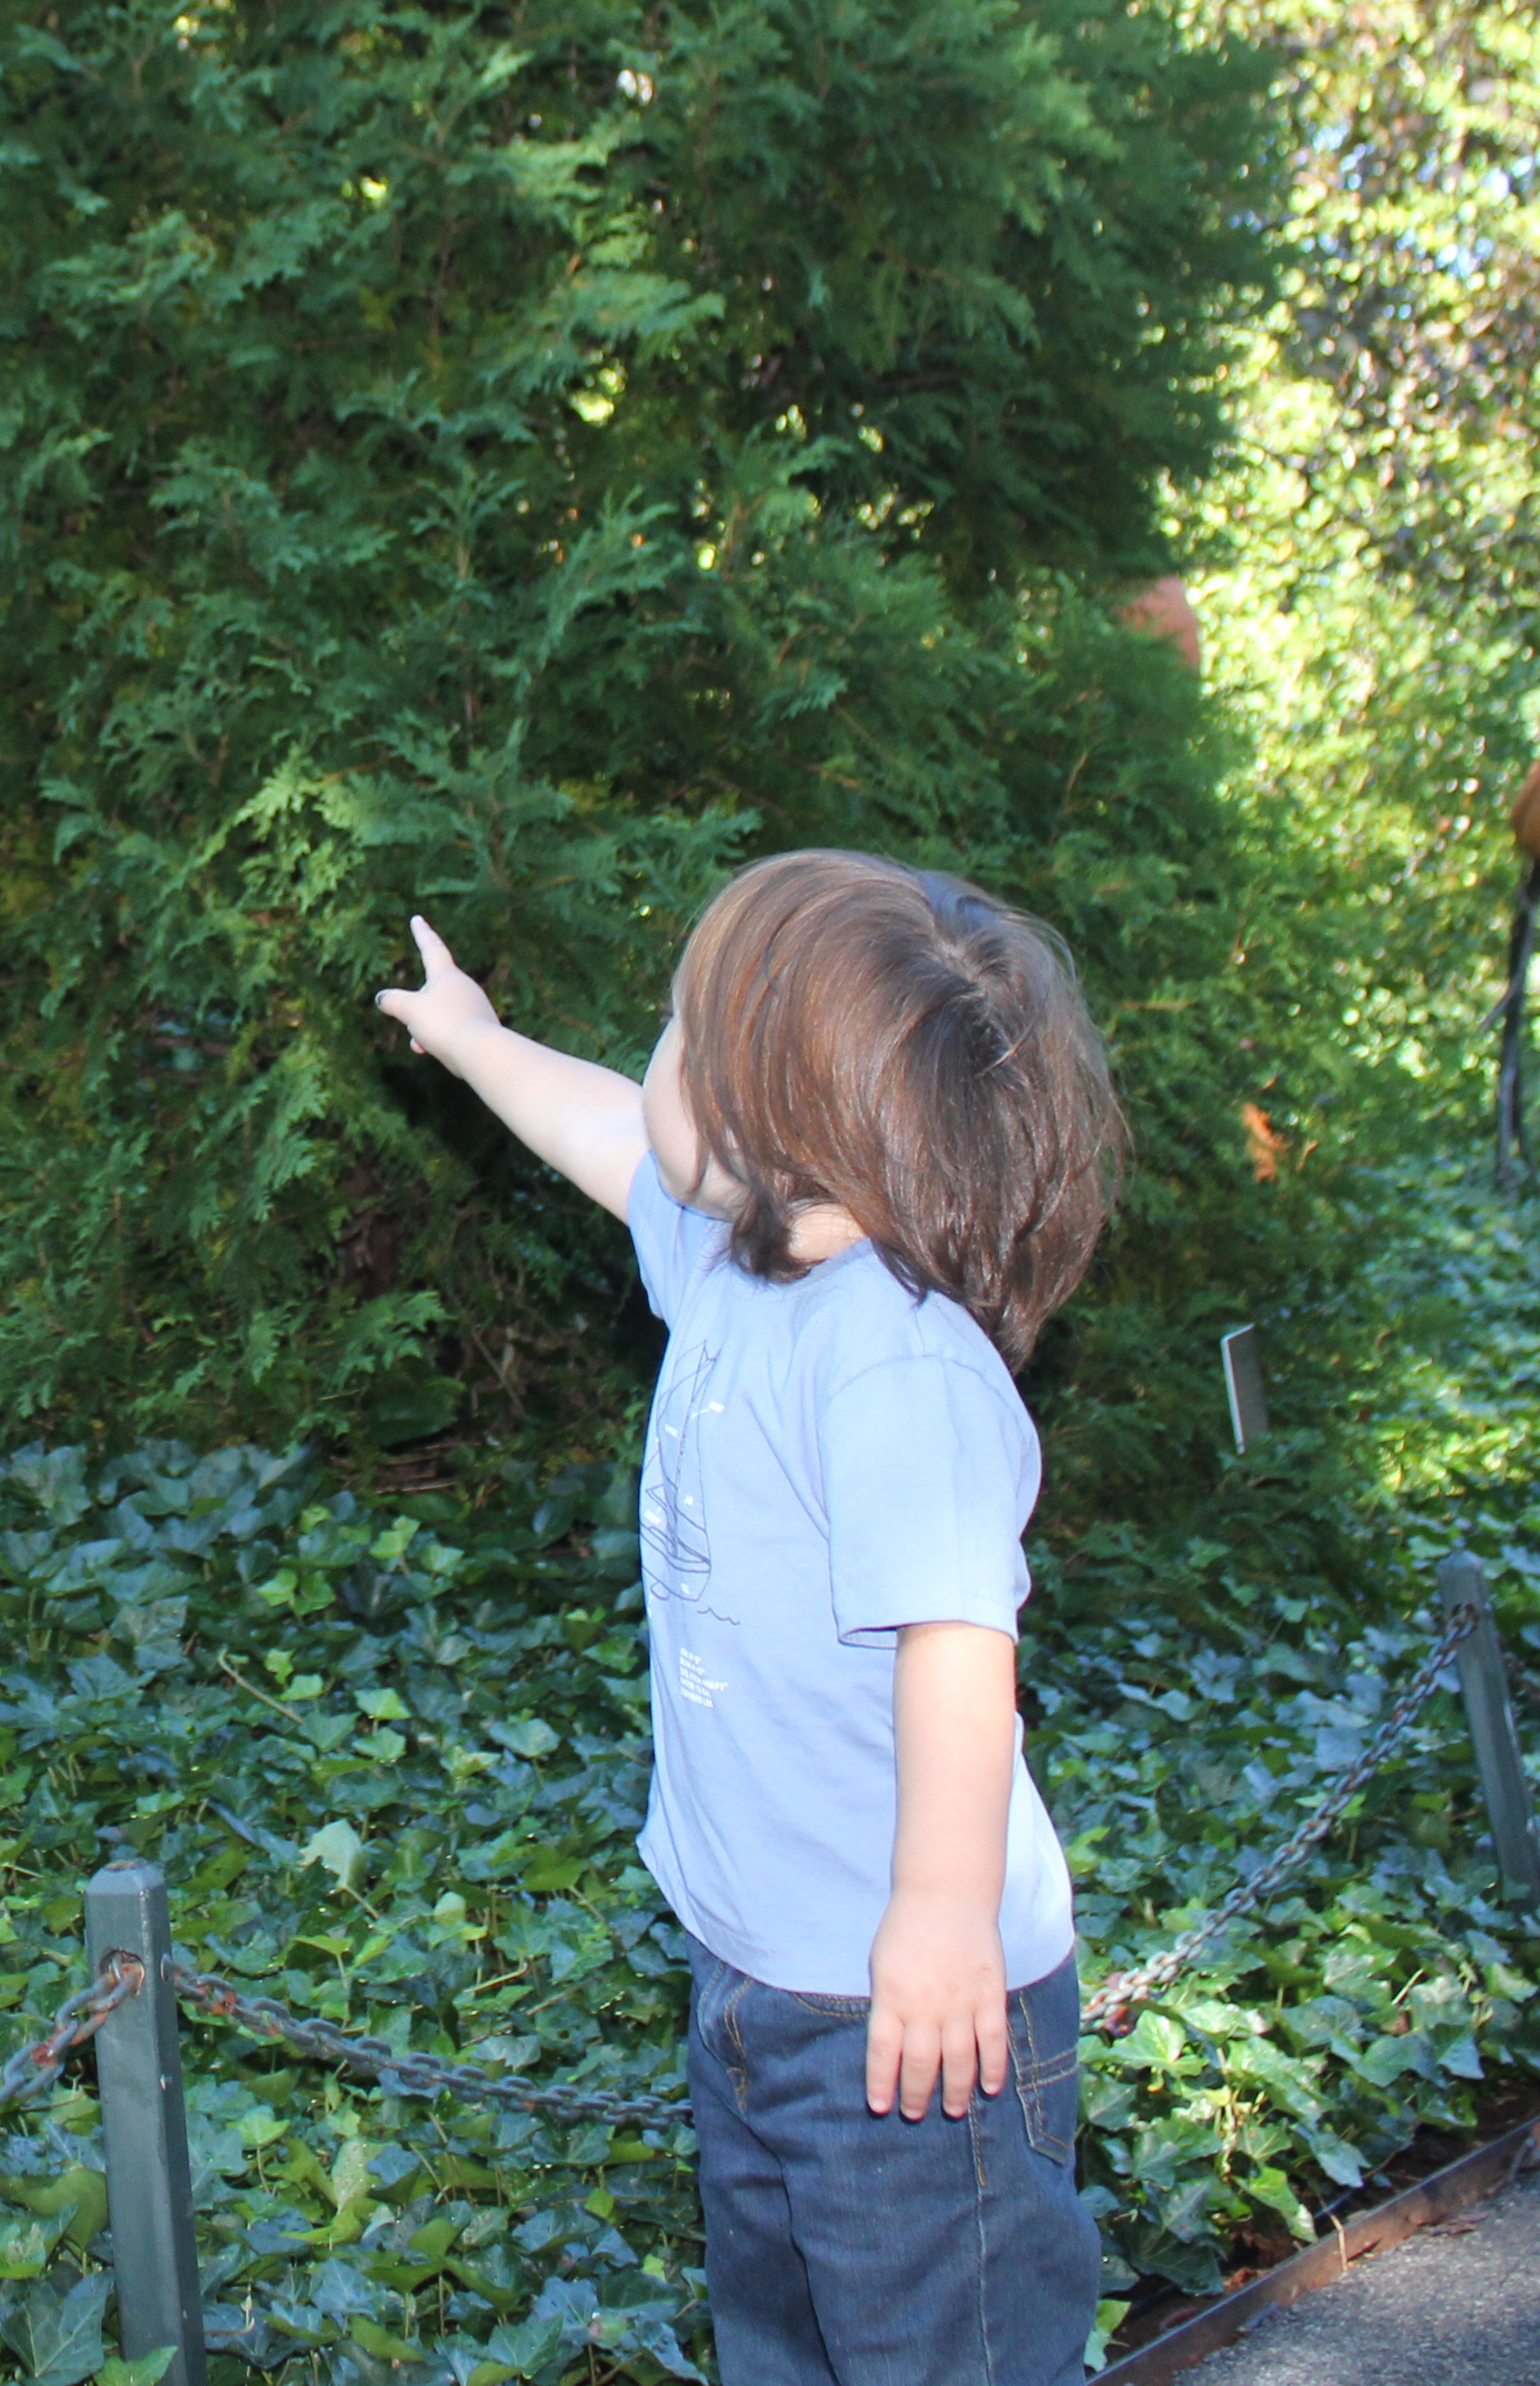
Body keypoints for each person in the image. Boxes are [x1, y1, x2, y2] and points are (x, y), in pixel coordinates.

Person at [374, 850, 1123, 2386]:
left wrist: (934, 1920)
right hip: (761, 1972)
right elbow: (605, 1136)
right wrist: (473, 1040)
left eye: (676, 1033)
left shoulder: (894, 1363)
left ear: (774, 1121)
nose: (649, 1058)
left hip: (908, 2012)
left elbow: (962, 1656)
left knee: (941, 2353)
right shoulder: (743, 1265)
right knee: (787, 2342)